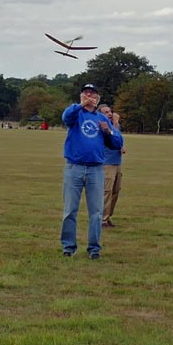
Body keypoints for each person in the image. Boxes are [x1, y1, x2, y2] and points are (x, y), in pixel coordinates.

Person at [59, 82, 122, 259]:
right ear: (81, 97)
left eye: (93, 95)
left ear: (98, 99)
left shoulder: (101, 119)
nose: (89, 97)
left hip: (96, 170)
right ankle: (68, 247)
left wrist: (109, 130)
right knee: (70, 210)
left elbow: (117, 143)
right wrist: (80, 105)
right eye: (86, 94)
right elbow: (66, 117)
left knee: (96, 212)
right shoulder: (76, 114)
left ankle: (94, 249)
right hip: (74, 168)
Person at [100, 103, 126, 227]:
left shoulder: (115, 126)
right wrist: (115, 123)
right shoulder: (102, 126)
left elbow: (118, 139)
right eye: (106, 112)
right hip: (107, 163)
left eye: (110, 111)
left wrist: (122, 146)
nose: (110, 114)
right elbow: (111, 135)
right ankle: (102, 219)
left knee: (116, 190)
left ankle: (108, 216)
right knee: (107, 191)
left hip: (117, 162)